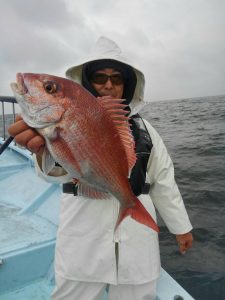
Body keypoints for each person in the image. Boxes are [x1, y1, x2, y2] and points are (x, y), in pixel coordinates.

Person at [8, 36, 193, 300]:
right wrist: (40, 152)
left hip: (137, 241)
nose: (108, 85)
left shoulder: (146, 130)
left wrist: (181, 227)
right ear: (86, 81)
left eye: (117, 79)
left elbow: (164, 180)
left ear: (127, 85)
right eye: (99, 77)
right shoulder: (54, 123)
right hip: (83, 239)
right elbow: (52, 172)